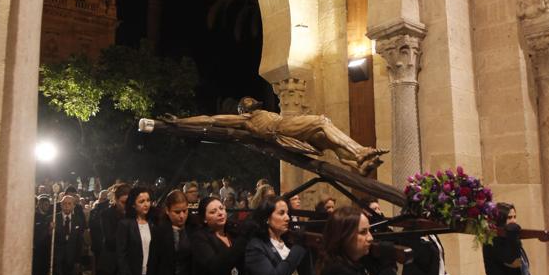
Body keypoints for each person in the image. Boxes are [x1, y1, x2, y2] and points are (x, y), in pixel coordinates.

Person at [157, 97, 386, 174]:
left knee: (328, 141)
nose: (250, 100)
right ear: (242, 109)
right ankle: (360, 151)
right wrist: (180, 121)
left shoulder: (262, 112)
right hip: (284, 129)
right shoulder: (246, 120)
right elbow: (210, 118)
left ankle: (357, 164)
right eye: (246, 101)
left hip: (288, 127)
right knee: (322, 121)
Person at [317, 206, 397, 275]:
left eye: (369, 230)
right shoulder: (337, 273)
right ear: (344, 236)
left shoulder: (355, 261)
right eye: (363, 232)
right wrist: (387, 264)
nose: (370, 238)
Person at [245, 196, 314, 275]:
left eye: (287, 213)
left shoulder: (287, 241)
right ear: (267, 218)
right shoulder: (255, 247)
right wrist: (297, 248)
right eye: (281, 213)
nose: (287, 218)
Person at [191, 196, 252, 275]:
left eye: (221, 208)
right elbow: (215, 266)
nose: (220, 213)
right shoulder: (199, 238)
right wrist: (243, 239)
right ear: (204, 219)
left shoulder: (233, 232)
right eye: (213, 212)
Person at [483, 202, 533, 275]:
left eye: (515, 217)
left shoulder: (511, 237)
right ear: (500, 219)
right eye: (509, 217)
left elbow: (523, 269)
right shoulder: (492, 240)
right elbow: (513, 261)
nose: (513, 221)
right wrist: (513, 236)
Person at [116, 186, 156, 275]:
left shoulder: (153, 224)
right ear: (133, 205)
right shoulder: (125, 224)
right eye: (141, 201)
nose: (146, 204)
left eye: (148, 200)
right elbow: (121, 255)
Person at [154, 190, 192, 275]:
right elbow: (153, 263)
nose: (182, 216)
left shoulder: (194, 228)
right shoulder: (159, 231)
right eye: (177, 212)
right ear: (167, 210)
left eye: (185, 211)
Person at [98, 183, 131, 275]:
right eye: (123, 202)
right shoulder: (106, 214)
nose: (126, 206)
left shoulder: (133, 215)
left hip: (128, 266)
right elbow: (110, 240)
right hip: (110, 264)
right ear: (116, 199)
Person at [51, 195, 85, 275]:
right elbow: (47, 240)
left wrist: (78, 261)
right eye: (64, 203)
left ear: (74, 206)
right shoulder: (53, 219)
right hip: (56, 258)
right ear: (61, 205)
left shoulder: (78, 220)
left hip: (72, 258)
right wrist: (49, 230)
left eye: (69, 203)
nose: (66, 205)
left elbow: (79, 242)